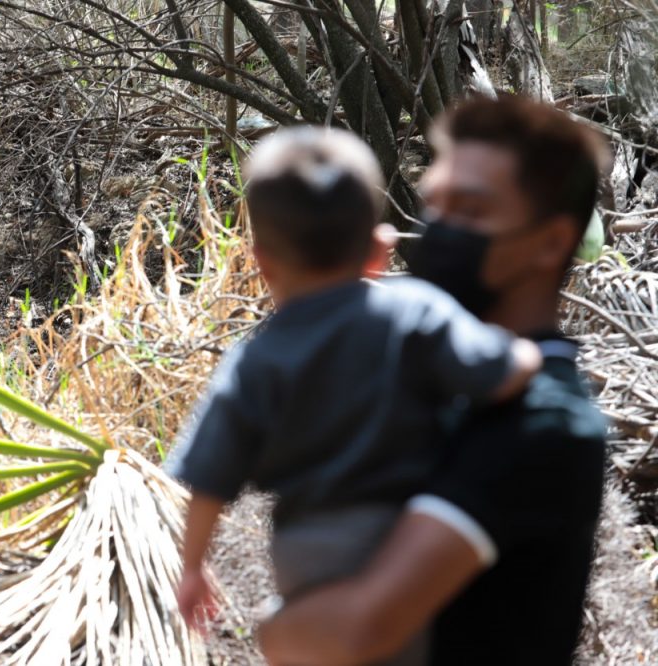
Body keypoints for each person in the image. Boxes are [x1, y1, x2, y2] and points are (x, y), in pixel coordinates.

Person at [166, 125, 542, 664]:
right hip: (411, 540)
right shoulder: (414, 310)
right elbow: (501, 371)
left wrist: (192, 568)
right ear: (379, 250)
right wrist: (534, 351)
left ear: (262, 262)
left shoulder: (255, 360)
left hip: (306, 551)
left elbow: (208, 481)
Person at [257, 94, 611, 666]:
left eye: (470, 210)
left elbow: (357, 631)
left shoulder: (545, 422)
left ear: (550, 241)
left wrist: (270, 628)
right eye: (435, 207)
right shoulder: (430, 375)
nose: (441, 230)